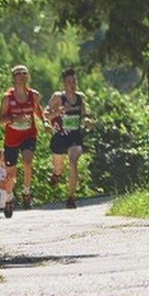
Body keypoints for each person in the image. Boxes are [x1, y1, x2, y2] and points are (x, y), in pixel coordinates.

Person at [0, 64, 47, 217]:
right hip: (12, 137)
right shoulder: (7, 98)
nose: (21, 76)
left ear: (28, 76)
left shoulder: (33, 95)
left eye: (24, 73)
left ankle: (26, 192)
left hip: (29, 134)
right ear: (13, 78)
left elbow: (37, 108)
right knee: (11, 174)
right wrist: (13, 118)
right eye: (18, 73)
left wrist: (44, 121)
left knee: (27, 162)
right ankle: (9, 198)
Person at [46, 68, 88, 209]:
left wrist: (87, 121)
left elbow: (84, 115)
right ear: (64, 83)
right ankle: (56, 174)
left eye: (74, 81)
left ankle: (71, 197)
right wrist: (59, 111)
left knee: (73, 161)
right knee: (58, 168)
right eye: (69, 82)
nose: (72, 85)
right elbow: (46, 114)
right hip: (60, 137)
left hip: (75, 136)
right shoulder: (58, 97)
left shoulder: (80, 98)